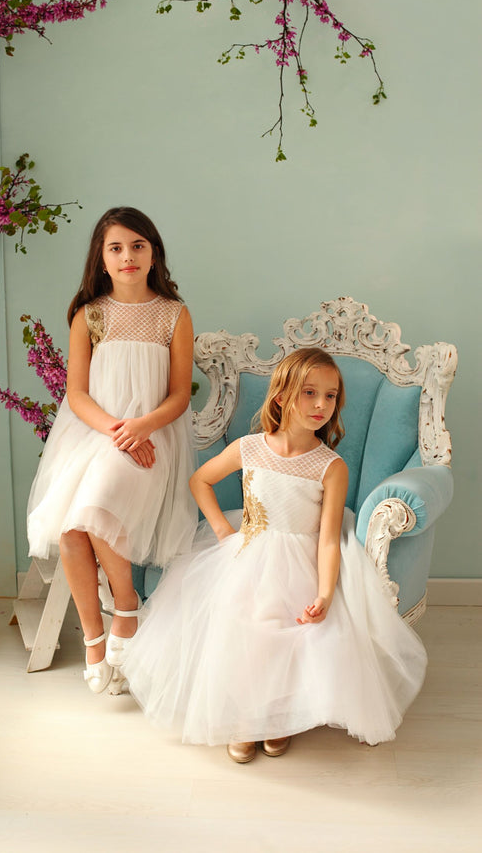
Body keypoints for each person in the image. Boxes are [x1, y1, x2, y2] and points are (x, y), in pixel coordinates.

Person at [122, 348, 427, 761]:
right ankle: (246, 718)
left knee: (292, 631)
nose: (321, 405)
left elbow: (326, 537)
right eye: (310, 393)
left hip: (302, 558)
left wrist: (323, 593)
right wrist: (222, 531)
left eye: (331, 396)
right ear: (282, 396)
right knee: (244, 625)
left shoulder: (330, 466)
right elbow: (200, 481)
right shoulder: (251, 448)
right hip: (250, 551)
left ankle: (279, 717)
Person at [27, 206, 197, 694]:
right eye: (116, 248)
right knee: (71, 534)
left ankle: (126, 605)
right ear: (101, 259)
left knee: (92, 510)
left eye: (137, 246)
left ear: (153, 254)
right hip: (97, 436)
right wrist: (117, 431)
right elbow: (76, 394)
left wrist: (140, 429)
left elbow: (179, 394)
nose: (127, 256)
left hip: (151, 441)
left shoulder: (173, 314)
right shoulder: (90, 315)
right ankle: (95, 638)